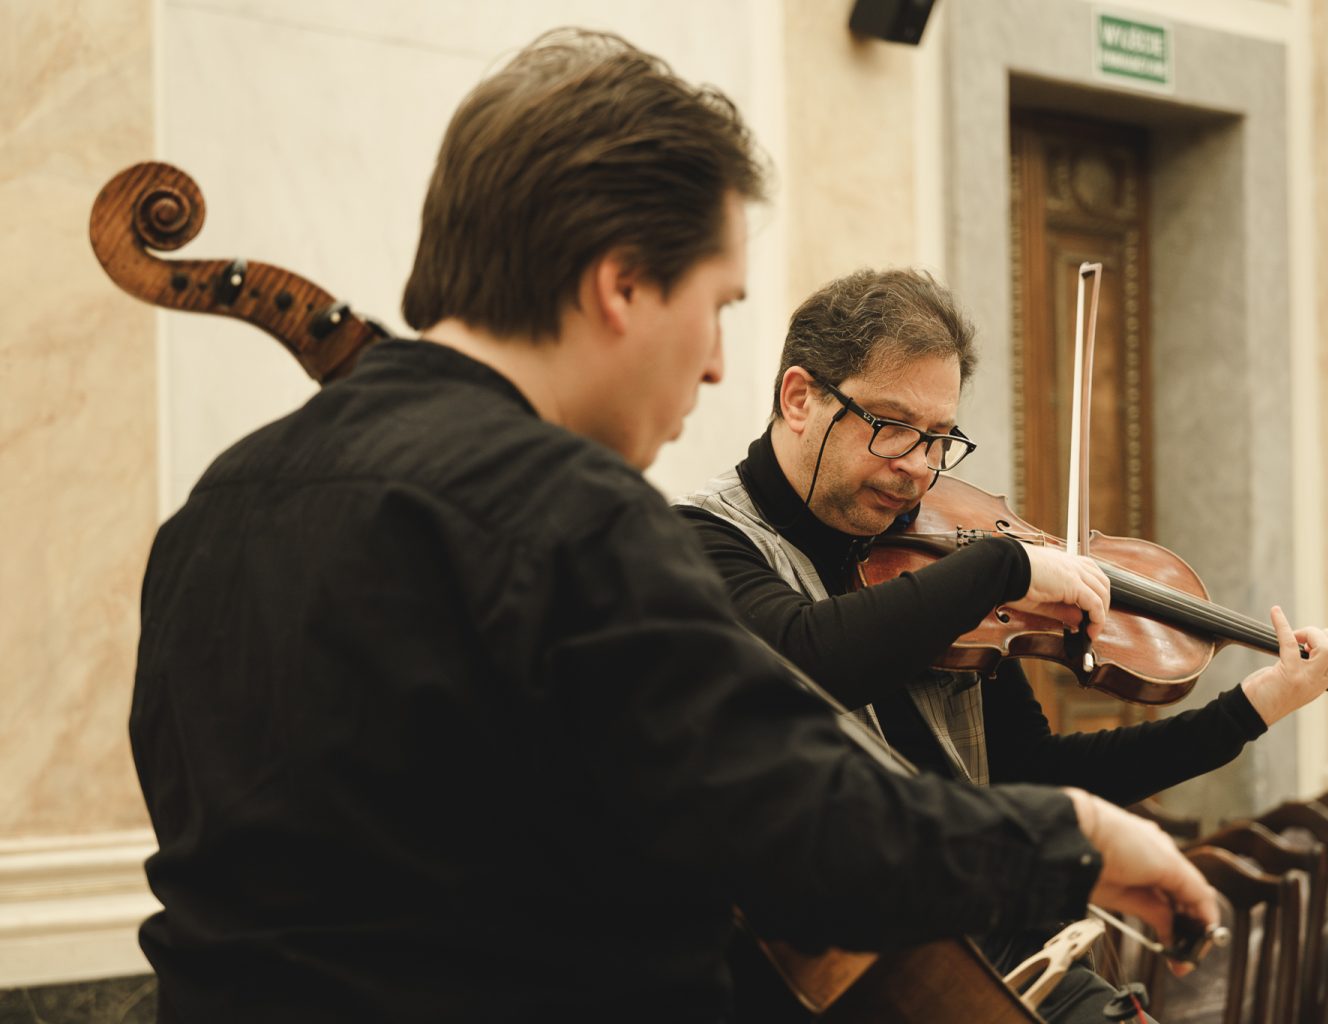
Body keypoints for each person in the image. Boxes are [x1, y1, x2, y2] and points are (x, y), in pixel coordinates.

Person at [128, 30, 1217, 1024]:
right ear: (622, 285)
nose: (713, 362)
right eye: (719, 305)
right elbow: (803, 818)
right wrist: (1073, 836)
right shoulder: (567, 512)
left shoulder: (220, 503)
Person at [674, 267, 1328, 1021]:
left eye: (939, 438)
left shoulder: (940, 572)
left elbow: (1036, 773)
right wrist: (1003, 567)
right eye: (891, 425)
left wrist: (1251, 708)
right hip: (858, 983)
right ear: (800, 398)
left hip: (1010, 957)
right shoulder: (704, 542)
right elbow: (805, 659)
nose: (919, 467)